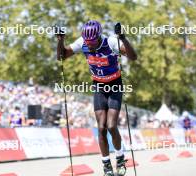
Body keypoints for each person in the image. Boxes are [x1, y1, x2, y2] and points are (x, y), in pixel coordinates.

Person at [56, 20, 137, 176]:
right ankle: (106, 165)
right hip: (99, 86)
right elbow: (61, 56)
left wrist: (124, 38)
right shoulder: (83, 42)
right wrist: (60, 40)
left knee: (112, 126)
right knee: (101, 128)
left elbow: (133, 57)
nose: (89, 45)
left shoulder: (111, 42)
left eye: (92, 42)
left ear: (99, 37)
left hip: (114, 85)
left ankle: (120, 159)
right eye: (87, 42)